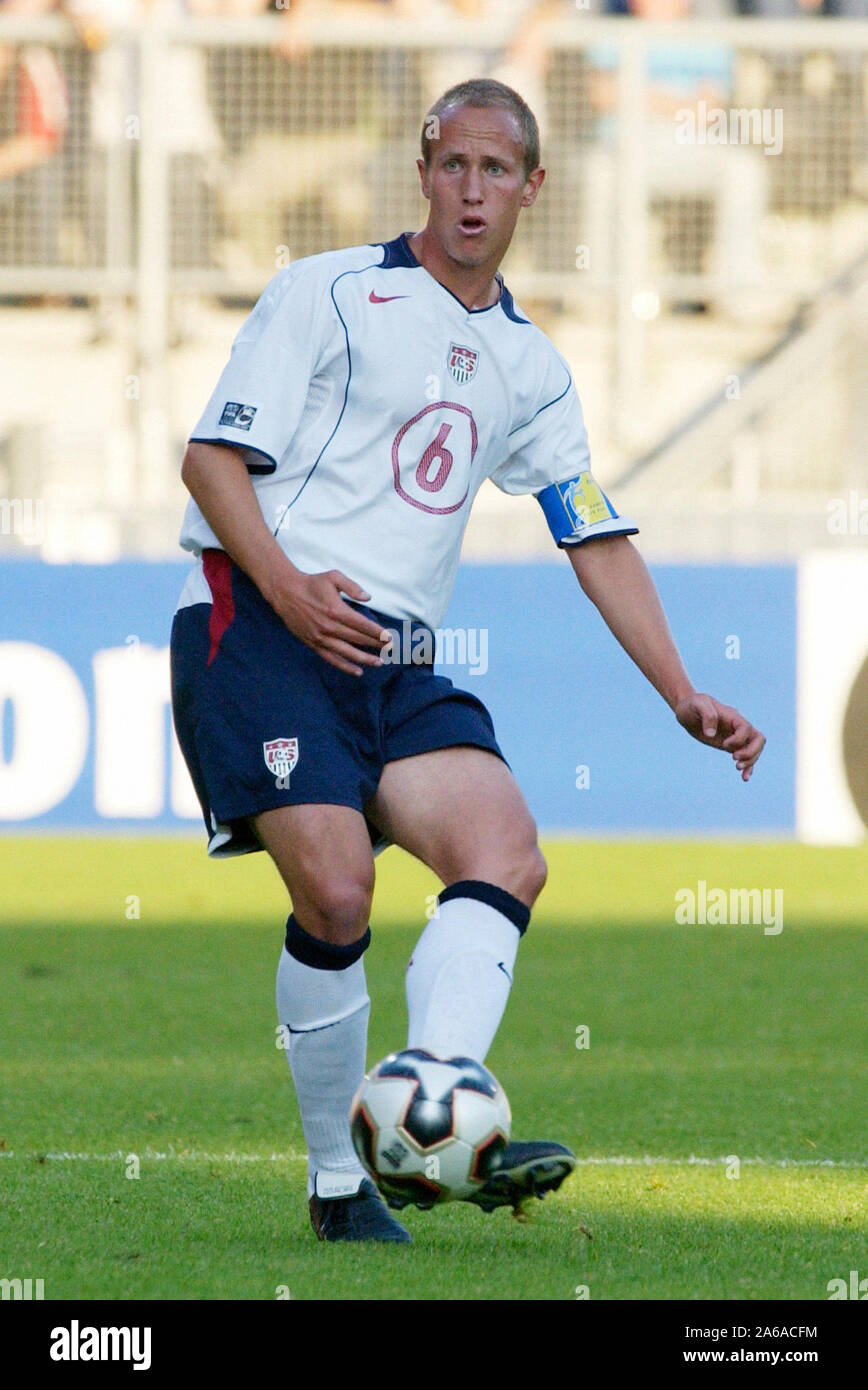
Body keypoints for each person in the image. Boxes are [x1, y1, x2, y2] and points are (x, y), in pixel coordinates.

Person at [170, 78, 766, 1244]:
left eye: (498, 171)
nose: (472, 190)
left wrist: (682, 691)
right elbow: (208, 463)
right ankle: (338, 1186)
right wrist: (291, 590)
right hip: (266, 626)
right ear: (424, 169)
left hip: (395, 660)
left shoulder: (529, 365)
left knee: (507, 853)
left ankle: (429, 1105)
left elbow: (591, 530)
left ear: (532, 187)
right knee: (338, 891)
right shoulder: (332, 292)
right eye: (453, 165)